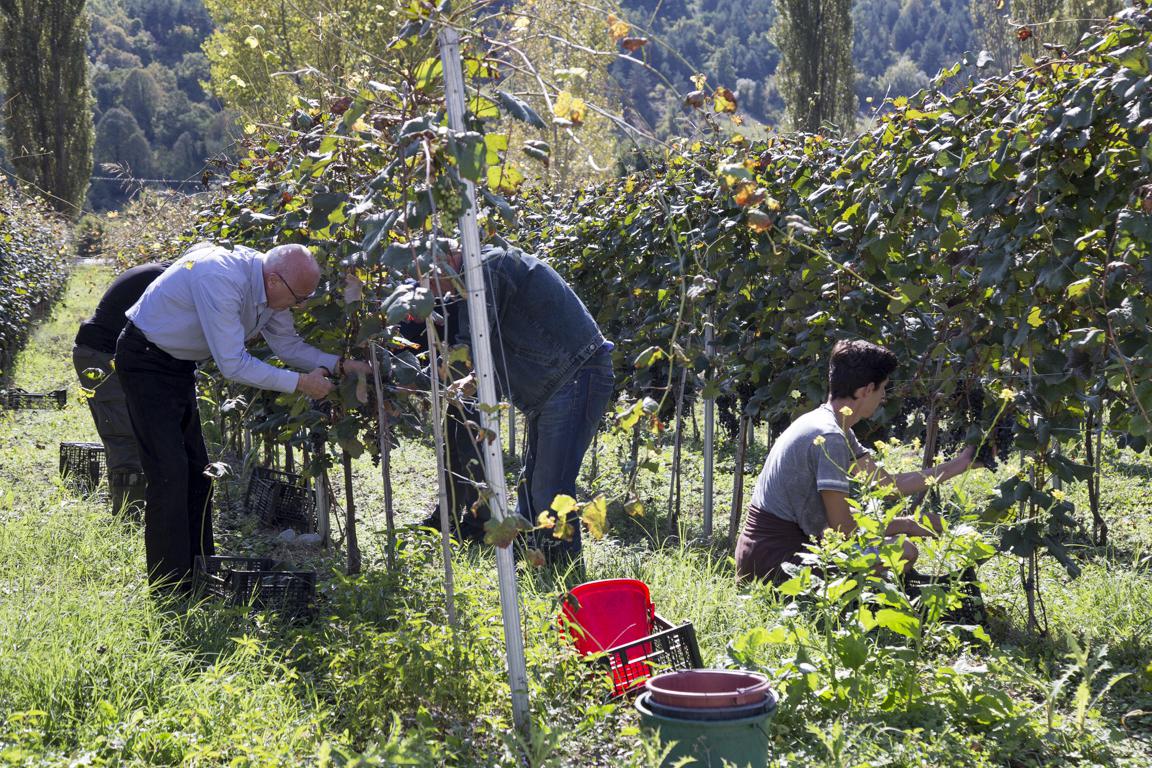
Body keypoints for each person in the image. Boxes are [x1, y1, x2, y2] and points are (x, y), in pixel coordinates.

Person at [115, 242, 371, 590]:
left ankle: (198, 573)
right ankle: (169, 588)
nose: (299, 306)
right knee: (169, 474)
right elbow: (232, 363)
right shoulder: (220, 277)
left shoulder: (270, 284)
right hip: (145, 361)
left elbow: (287, 346)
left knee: (197, 474)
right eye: (299, 298)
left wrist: (339, 364)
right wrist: (300, 384)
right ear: (276, 281)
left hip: (177, 366)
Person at [424, 242, 615, 567]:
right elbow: (491, 351)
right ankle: (532, 569)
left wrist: (429, 375)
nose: (431, 290)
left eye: (427, 280)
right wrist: (468, 381)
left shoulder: (486, 270)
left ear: (444, 262)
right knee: (531, 486)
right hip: (558, 384)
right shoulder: (486, 267)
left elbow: (475, 346)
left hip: (574, 377)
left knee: (549, 491)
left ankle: (566, 577)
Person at [735, 339, 977, 584]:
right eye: (883, 388)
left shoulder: (831, 424)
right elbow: (843, 528)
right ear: (866, 390)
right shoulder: (829, 436)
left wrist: (963, 462)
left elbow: (887, 484)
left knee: (894, 547)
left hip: (765, 552)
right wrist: (908, 525)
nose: (883, 397)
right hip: (774, 562)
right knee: (903, 551)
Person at [73, 262, 169, 514]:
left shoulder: (158, 272)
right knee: (123, 435)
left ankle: (134, 506)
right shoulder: (165, 280)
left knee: (131, 428)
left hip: (109, 355)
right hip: (101, 357)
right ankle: (128, 515)